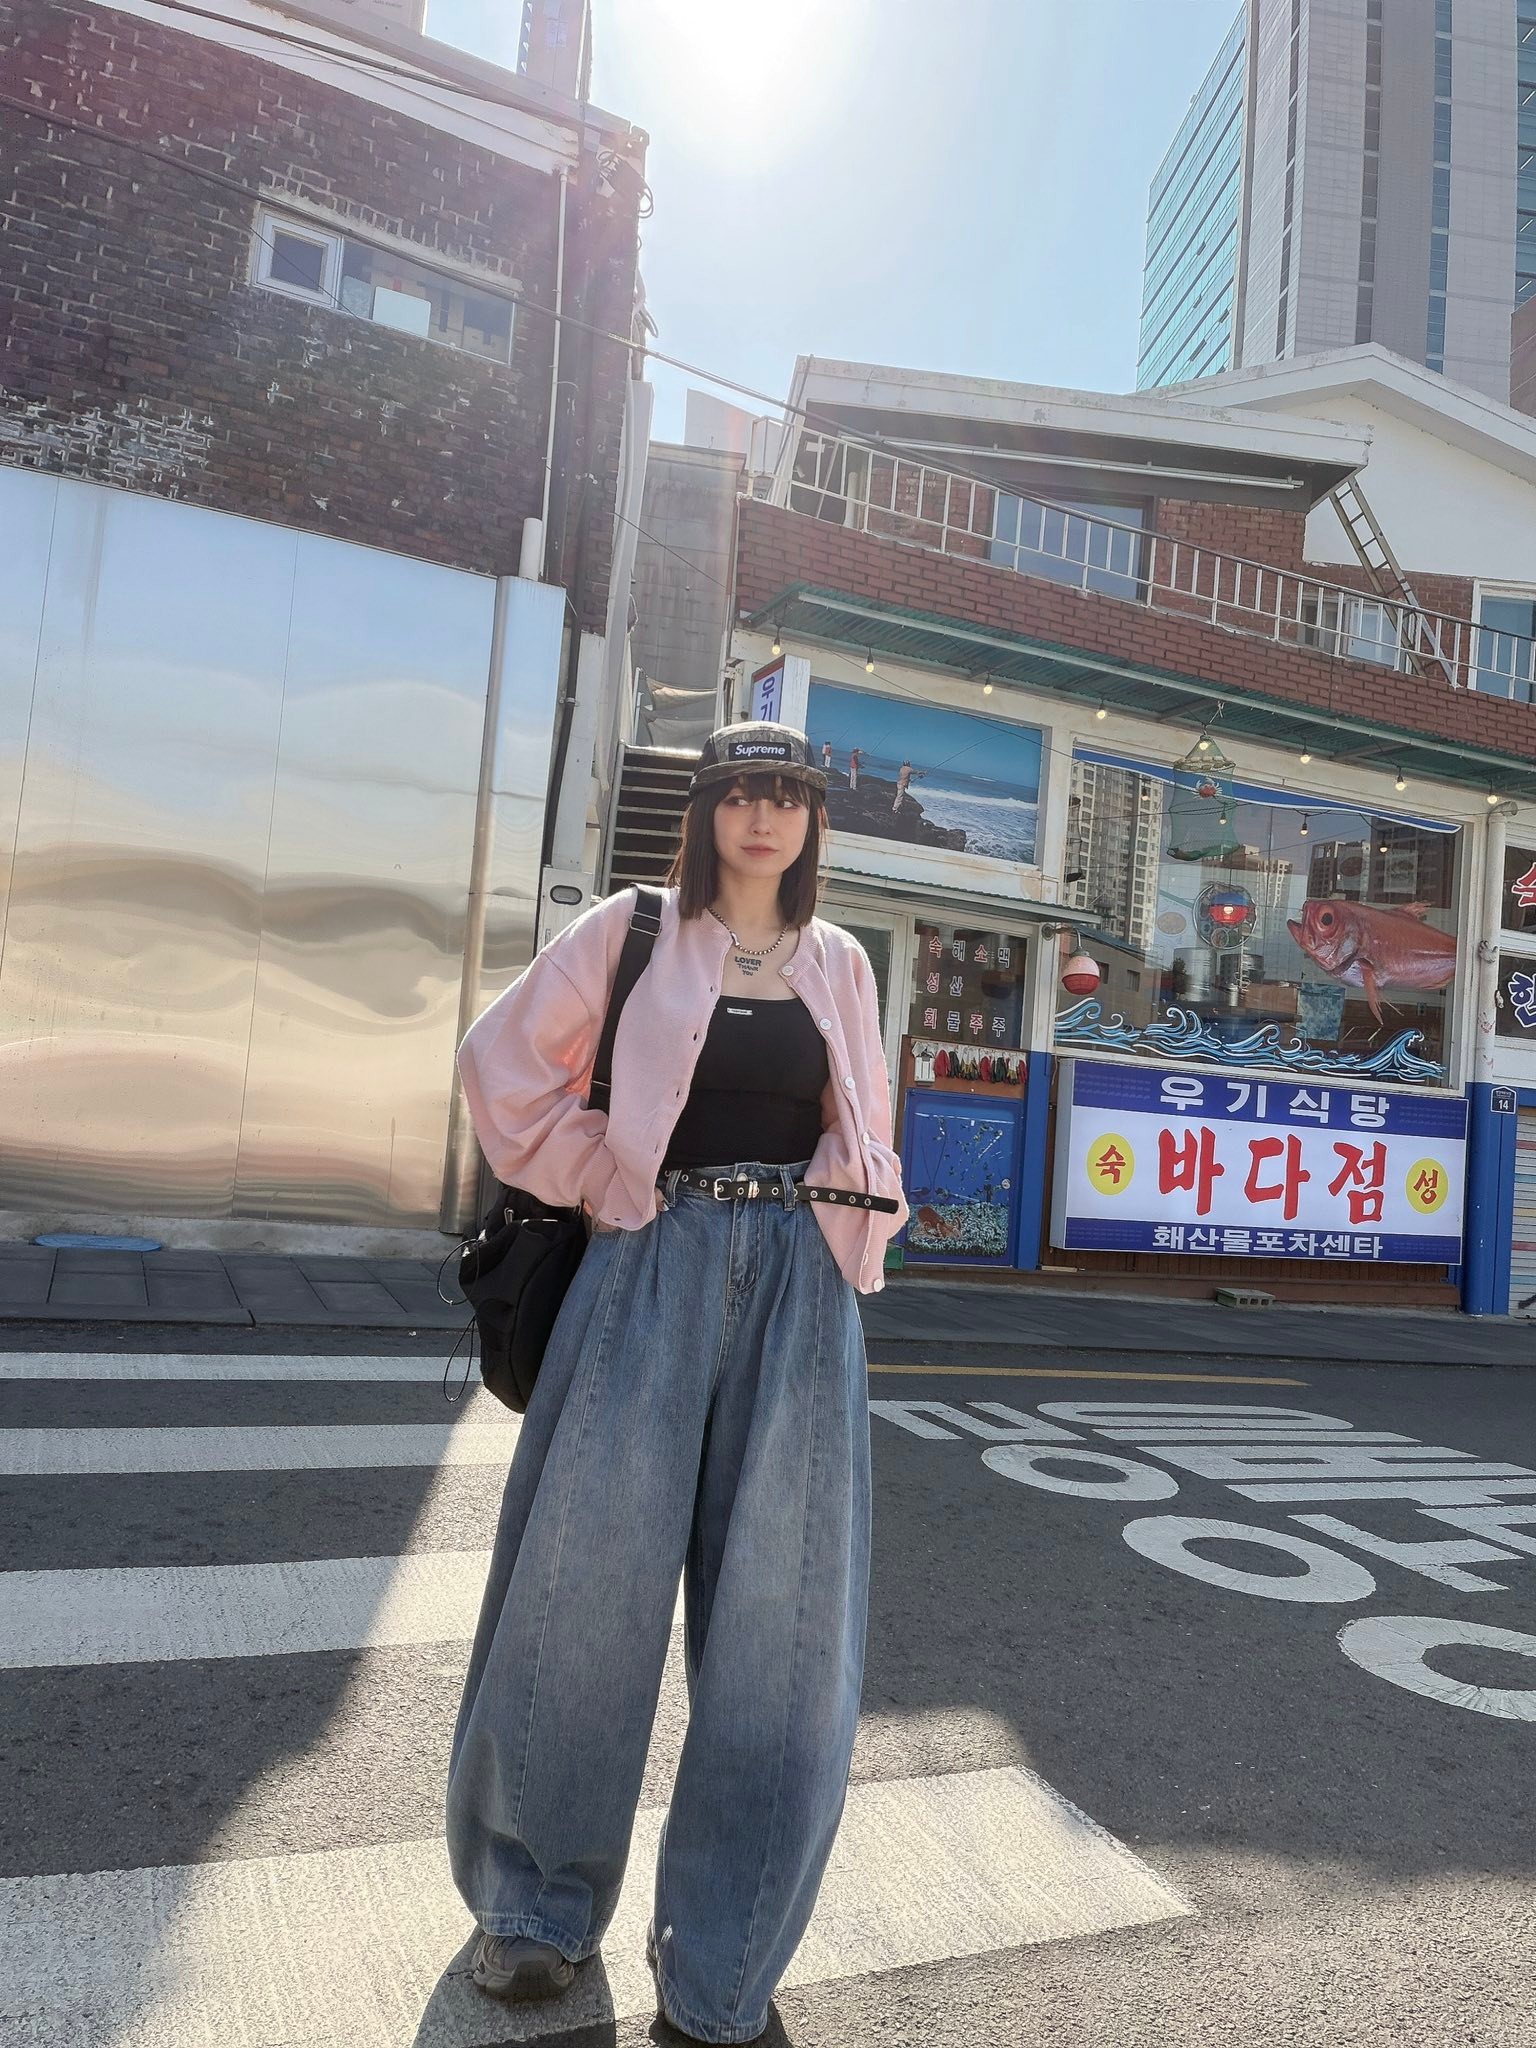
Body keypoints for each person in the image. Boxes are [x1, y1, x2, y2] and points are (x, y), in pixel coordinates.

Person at [446, 719, 909, 2045]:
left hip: (800, 1284)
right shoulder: (632, 930)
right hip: (651, 1259)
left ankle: (724, 1964)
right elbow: (501, 1066)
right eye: (741, 793)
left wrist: (855, 1222)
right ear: (705, 812)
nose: (765, 816)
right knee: (582, 1590)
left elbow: (864, 1119)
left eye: (790, 796)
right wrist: (603, 1177)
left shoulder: (840, 961)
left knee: (786, 1628)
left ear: (813, 821)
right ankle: (534, 1910)